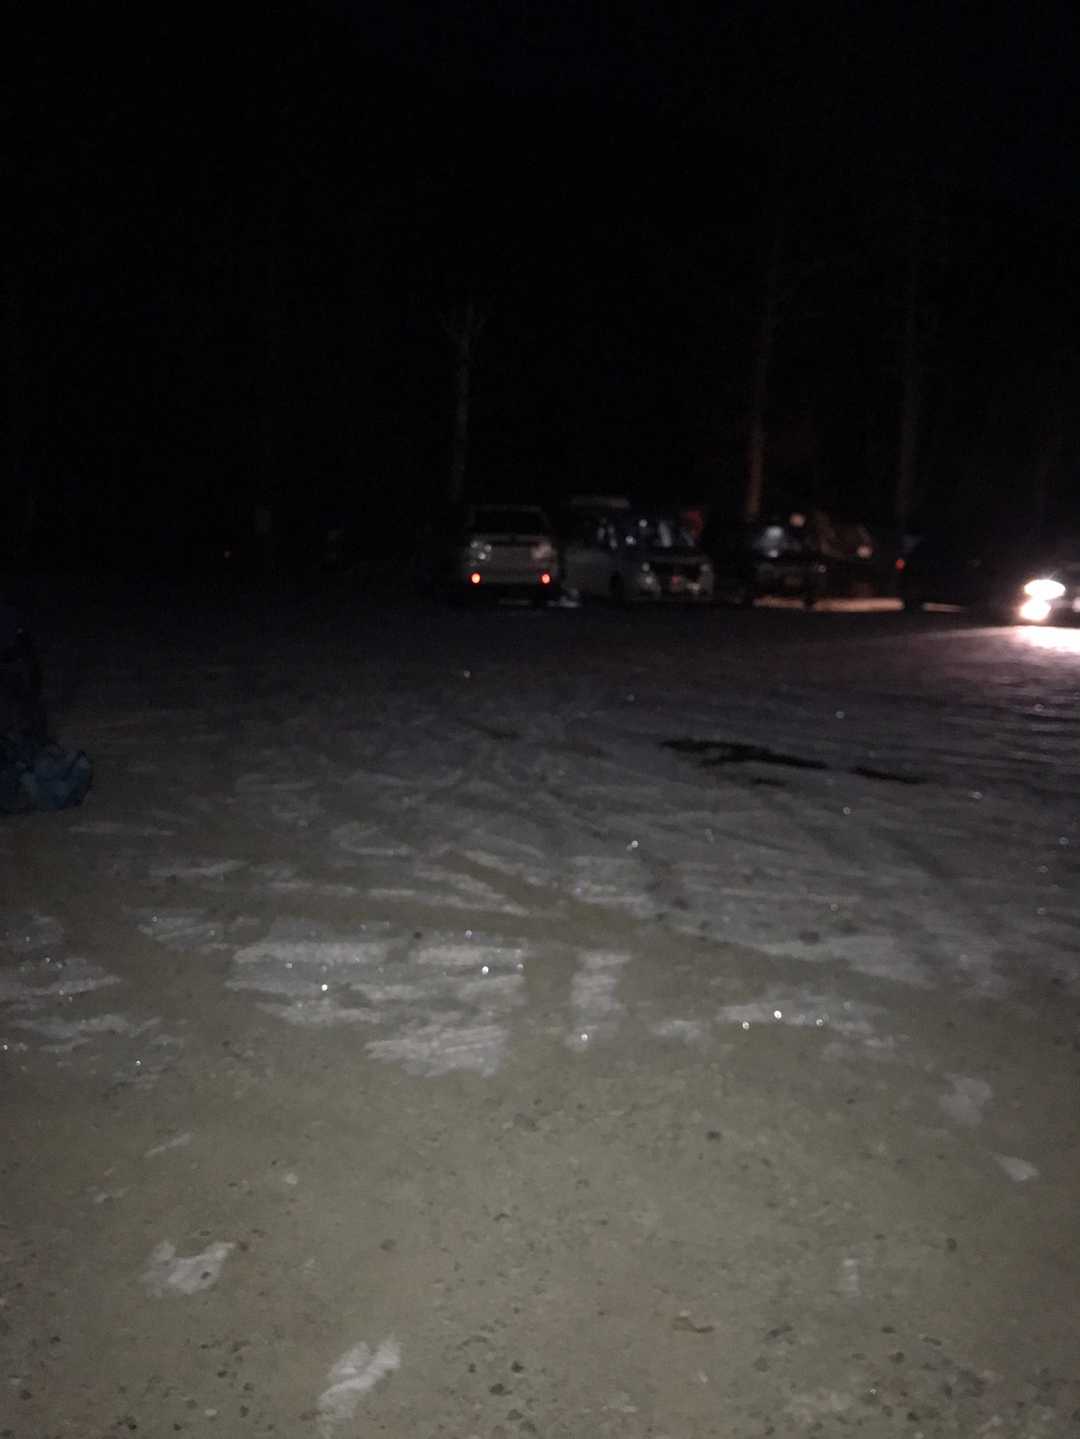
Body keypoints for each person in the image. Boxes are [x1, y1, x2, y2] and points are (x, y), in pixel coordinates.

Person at [0, 591, 47, 744]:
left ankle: (29, 736)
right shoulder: (12, 615)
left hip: (17, 664)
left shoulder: (13, 615)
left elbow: (25, 643)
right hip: (14, 665)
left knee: (24, 701)